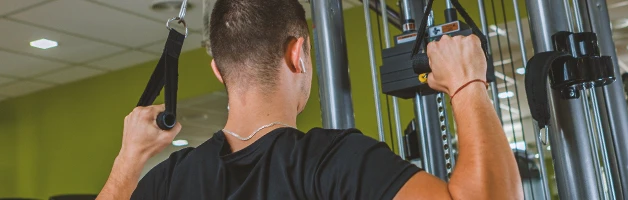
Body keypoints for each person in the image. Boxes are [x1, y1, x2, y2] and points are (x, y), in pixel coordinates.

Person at [96, 0, 521, 199]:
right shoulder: (334, 162)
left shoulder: (168, 182)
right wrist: (468, 83)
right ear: (297, 54)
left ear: (218, 72)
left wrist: (127, 160)